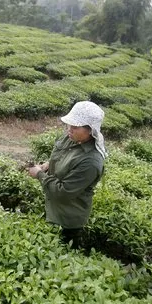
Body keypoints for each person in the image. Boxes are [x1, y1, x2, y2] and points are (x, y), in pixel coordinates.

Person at [28, 101, 107, 248]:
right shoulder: (71, 138)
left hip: (67, 220)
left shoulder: (91, 162)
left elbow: (63, 192)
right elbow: (60, 156)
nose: (69, 130)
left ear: (90, 130)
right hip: (51, 207)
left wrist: (39, 174)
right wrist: (47, 165)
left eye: (75, 127)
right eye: (69, 124)